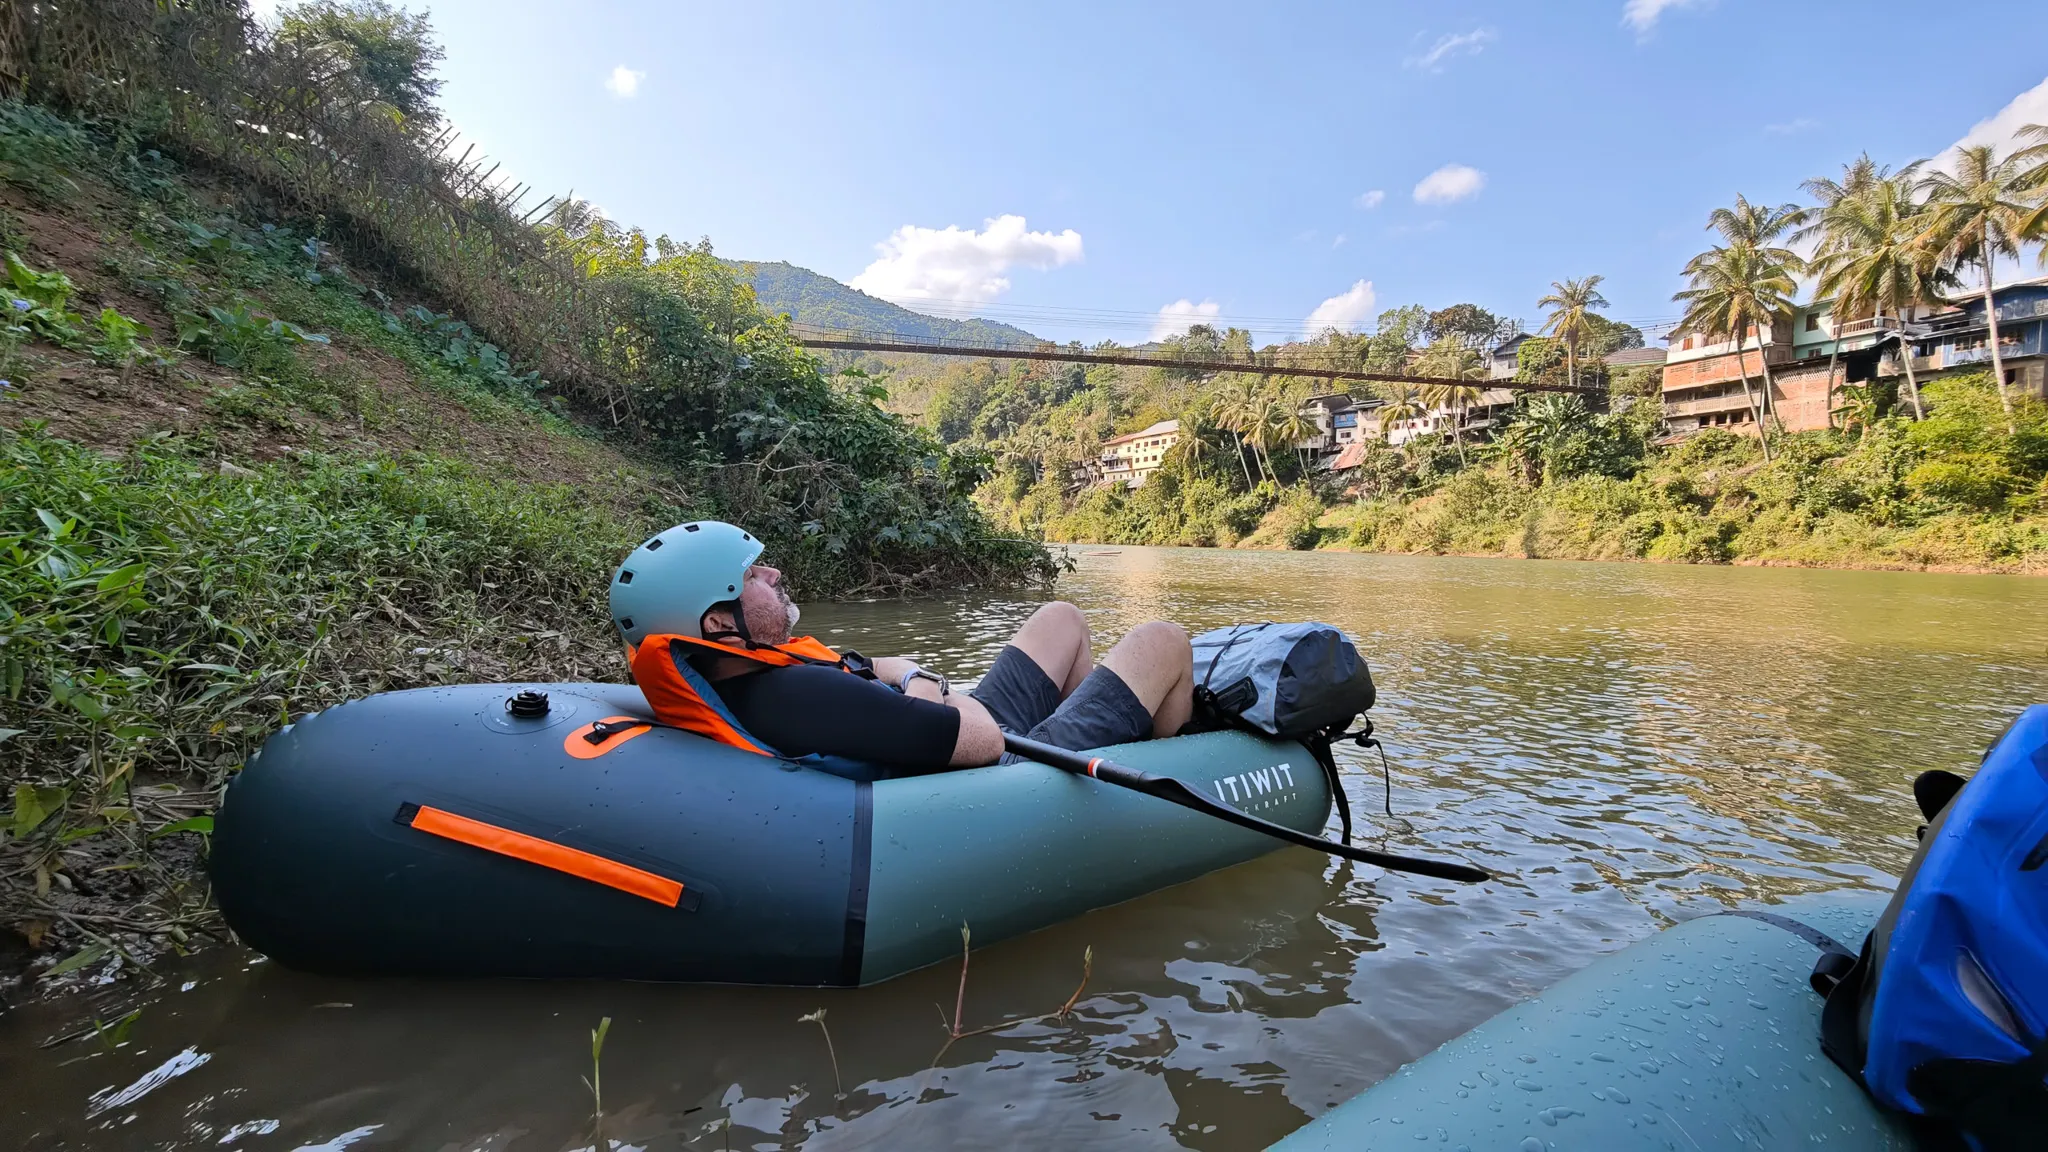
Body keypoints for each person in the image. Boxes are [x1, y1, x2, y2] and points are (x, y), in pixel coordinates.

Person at [608, 521, 1194, 775]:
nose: (773, 572)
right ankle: (1160, 764)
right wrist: (924, 681)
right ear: (718, 623)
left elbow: (867, 670)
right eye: (752, 576)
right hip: (993, 770)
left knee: (1061, 617)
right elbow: (984, 741)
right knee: (1163, 639)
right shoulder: (802, 695)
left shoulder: (750, 677)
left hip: (948, 735)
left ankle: (1092, 733)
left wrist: (905, 674)